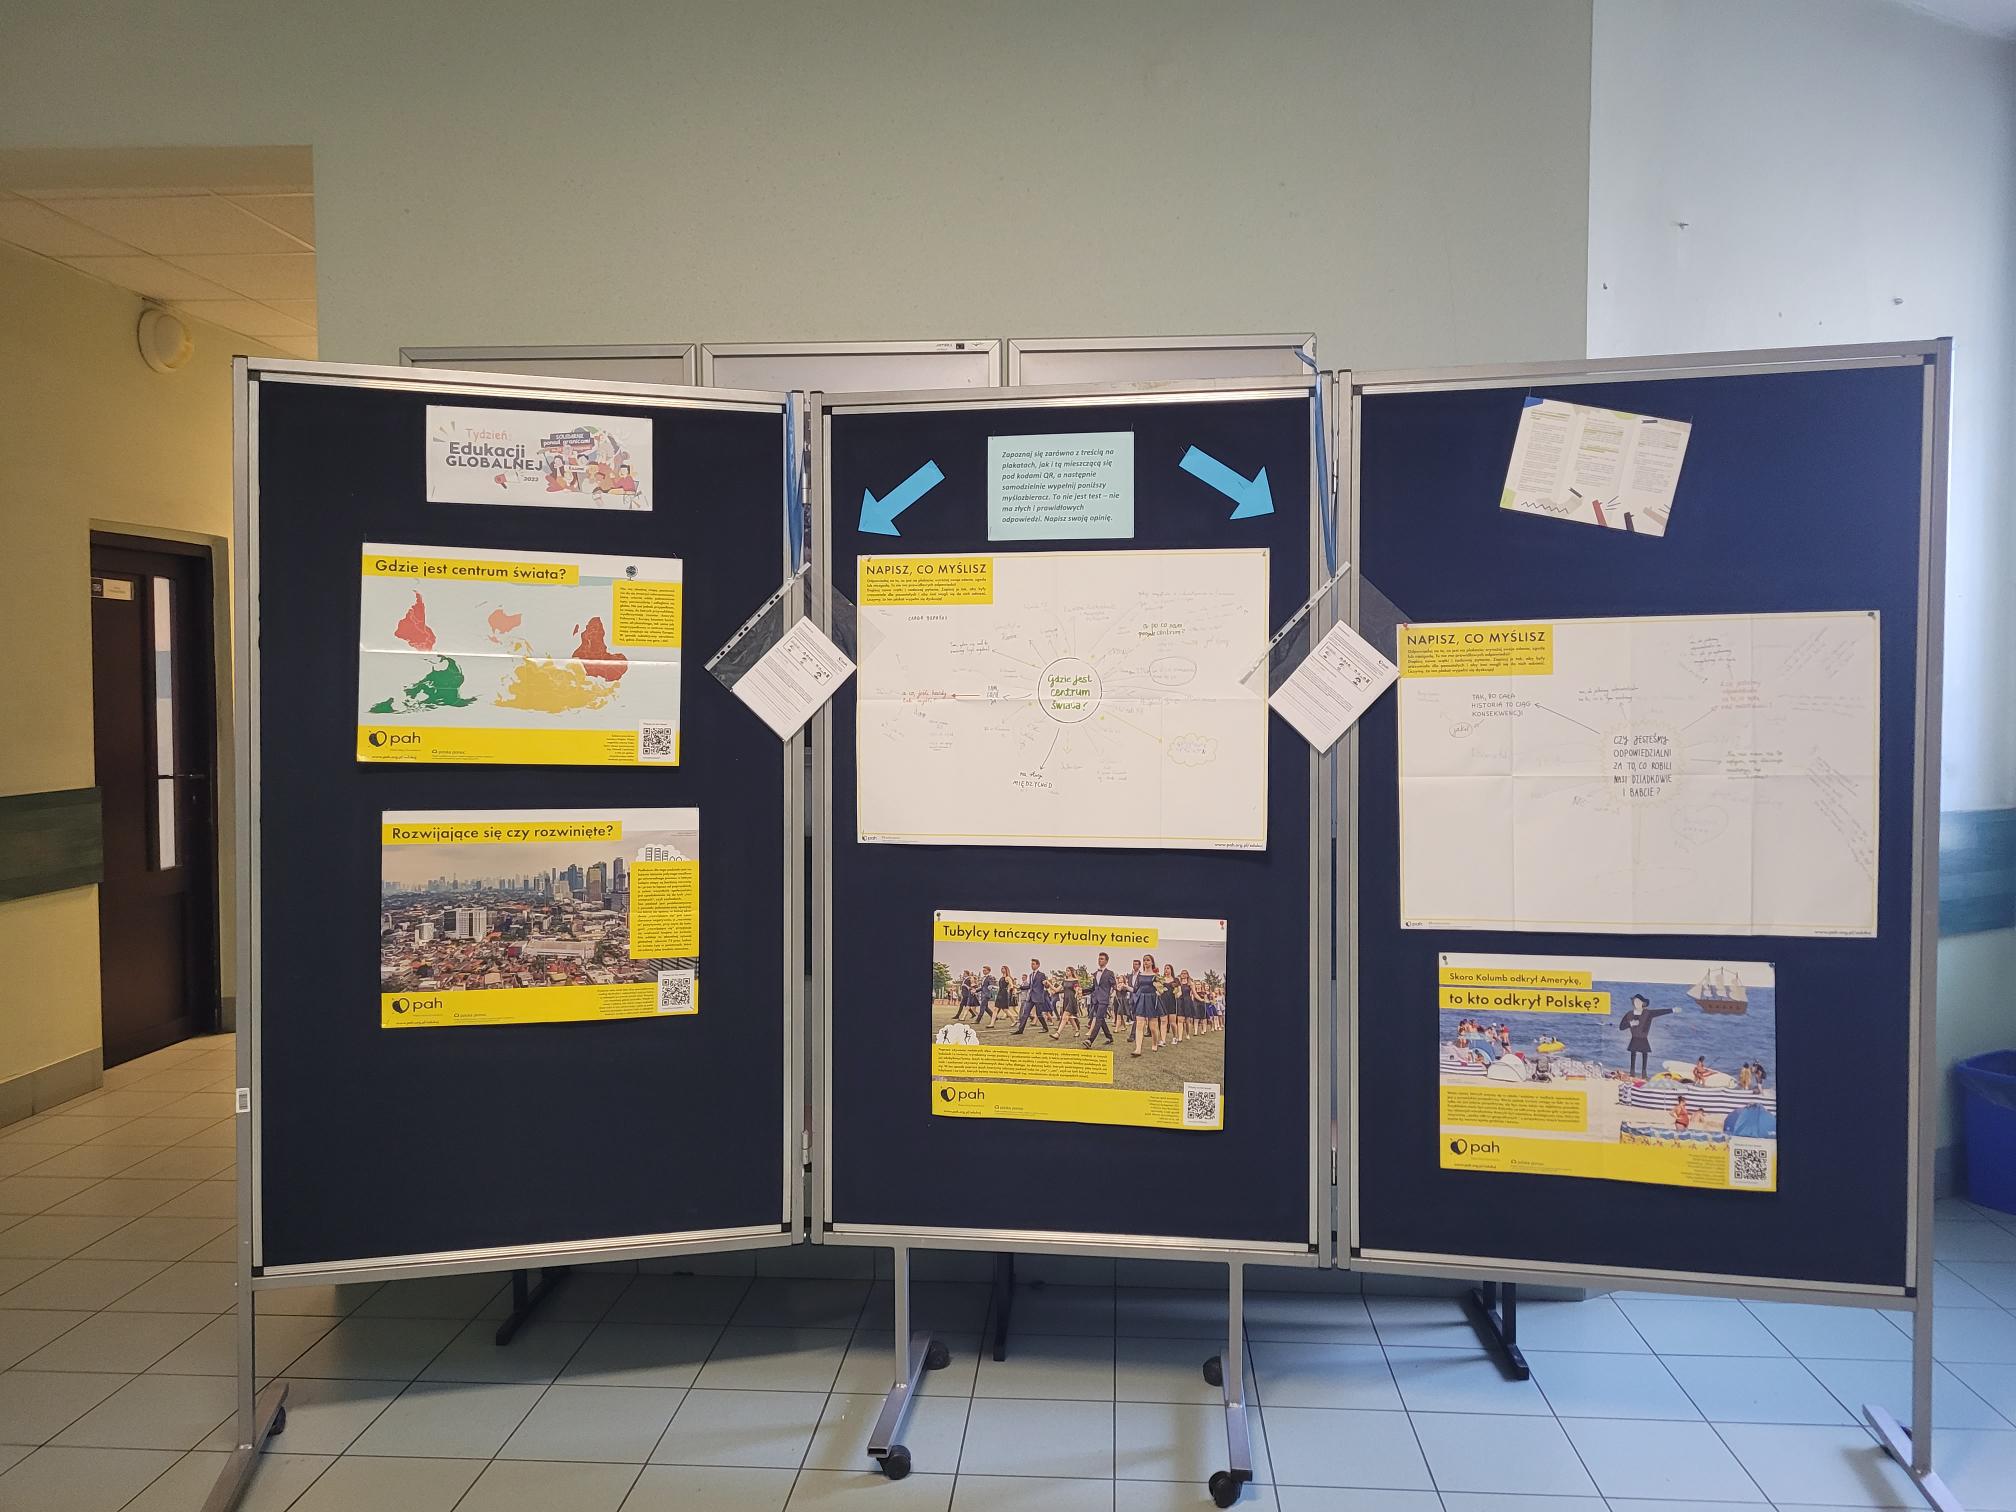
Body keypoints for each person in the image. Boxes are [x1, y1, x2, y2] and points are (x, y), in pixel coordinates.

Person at [1618, 993, 1673, 1078]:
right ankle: (1632, 1073)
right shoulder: (1629, 1014)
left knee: (1644, 1054)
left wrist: (1672, 1010)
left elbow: (1659, 1012)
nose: (1636, 1003)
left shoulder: (1648, 1013)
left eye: (1638, 1002)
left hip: (1643, 1038)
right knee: (1633, 1054)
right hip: (1634, 1038)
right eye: (1634, 1001)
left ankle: (1644, 1074)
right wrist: (1631, 1024)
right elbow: (1621, 1027)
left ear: (1643, 1003)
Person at [1131, 953, 1161, 1056]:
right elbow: (1135, 989)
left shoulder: (1156, 976)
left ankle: (1155, 1043)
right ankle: (1138, 1049)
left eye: (1148, 960)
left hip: (1152, 1000)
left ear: (1152, 962)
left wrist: (1159, 991)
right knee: (1139, 1024)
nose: (1146, 962)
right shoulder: (1140, 975)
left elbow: (1161, 989)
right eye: (1144, 960)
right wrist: (1125, 986)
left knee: (1153, 1027)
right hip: (1141, 1000)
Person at [1013, 958, 1053, 1034]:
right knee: (1025, 1013)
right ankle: (1020, 1030)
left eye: (1033, 964)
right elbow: (1030, 986)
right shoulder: (1031, 975)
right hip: (1030, 997)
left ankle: (1045, 1028)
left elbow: (1046, 986)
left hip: (1038, 997)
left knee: (1039, 1014)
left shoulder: (1042, 975)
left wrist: (1046, 984)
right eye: (1031, 964)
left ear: (1038, 965)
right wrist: (1020, 987)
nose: (1032, 965)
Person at [1084, 952, 1116, 1046]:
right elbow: (1093, 988)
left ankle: (1090, 1040)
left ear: (1106, 961)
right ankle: (1109, 1037)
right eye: (1099, 958)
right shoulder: (1095, 974)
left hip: (1104, 999)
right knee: (1101, 1019)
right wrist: (1081, 991)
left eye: (1102, 959)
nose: (1099, 960)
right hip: (1095, 1000)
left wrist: (1114, 991)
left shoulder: (1110, 973)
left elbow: (1114, 985)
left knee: (1098, 1019)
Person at [1051, 969, 1082, 1040]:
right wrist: (1049, 983)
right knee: (1070, 1018)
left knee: (1065, 1016)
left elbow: (1077, 989)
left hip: (1072, 1000)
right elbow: (1056, 990)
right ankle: (1077, 1031)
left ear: (1071, 972)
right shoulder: (1064, 981)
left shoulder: (1075, 980)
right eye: (1066, 970)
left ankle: (1057, 1033)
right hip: (1066, 1000)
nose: (1066, 972)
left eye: (1068, 970)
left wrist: (1077, 991)